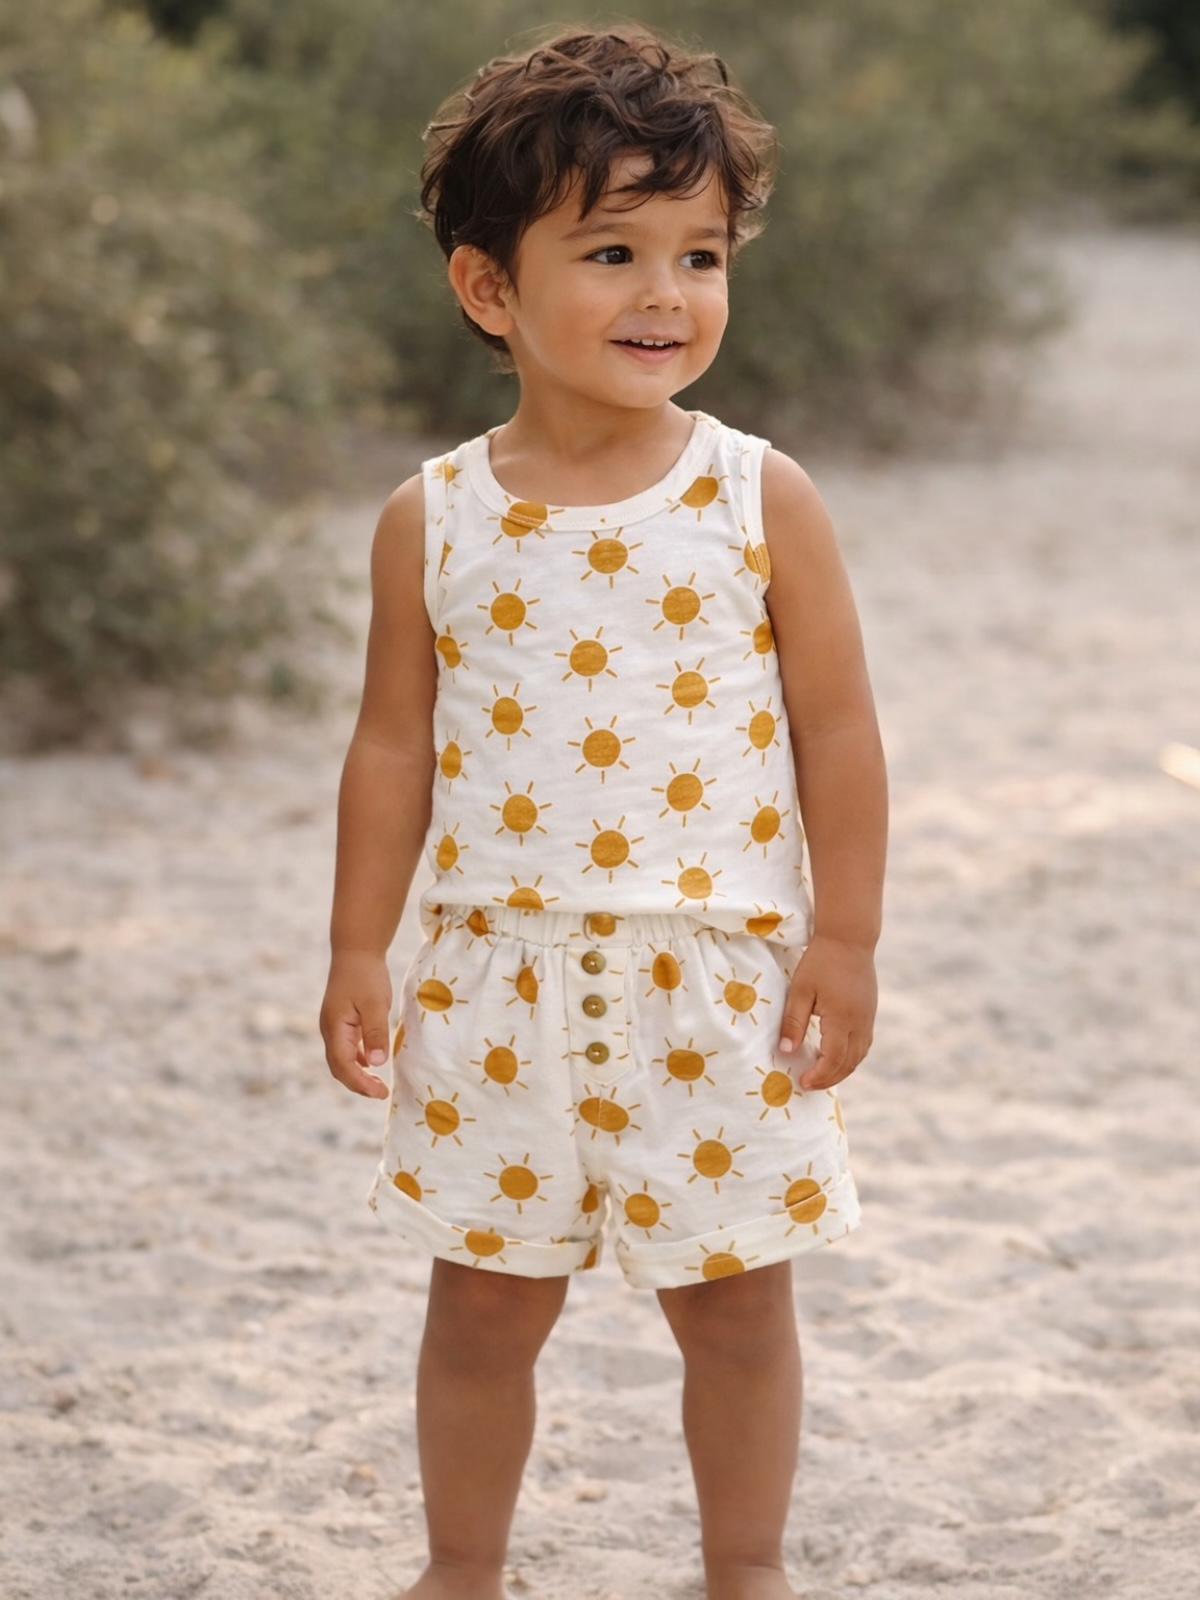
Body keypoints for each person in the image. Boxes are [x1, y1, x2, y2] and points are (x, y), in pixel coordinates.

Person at [320, 24, 887, 1600]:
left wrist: (846, 933)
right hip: (500, 980)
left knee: (736, 1305)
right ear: (489, 287)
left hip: (712, 983)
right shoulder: (429, 518)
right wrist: (358, 947)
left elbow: (838, 729)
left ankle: (747, 1568)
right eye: (614, 251)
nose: (666, 294)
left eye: (700, 255)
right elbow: (389, 750)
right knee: (486, 1308)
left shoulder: (757, 495)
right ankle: (462, 1568)